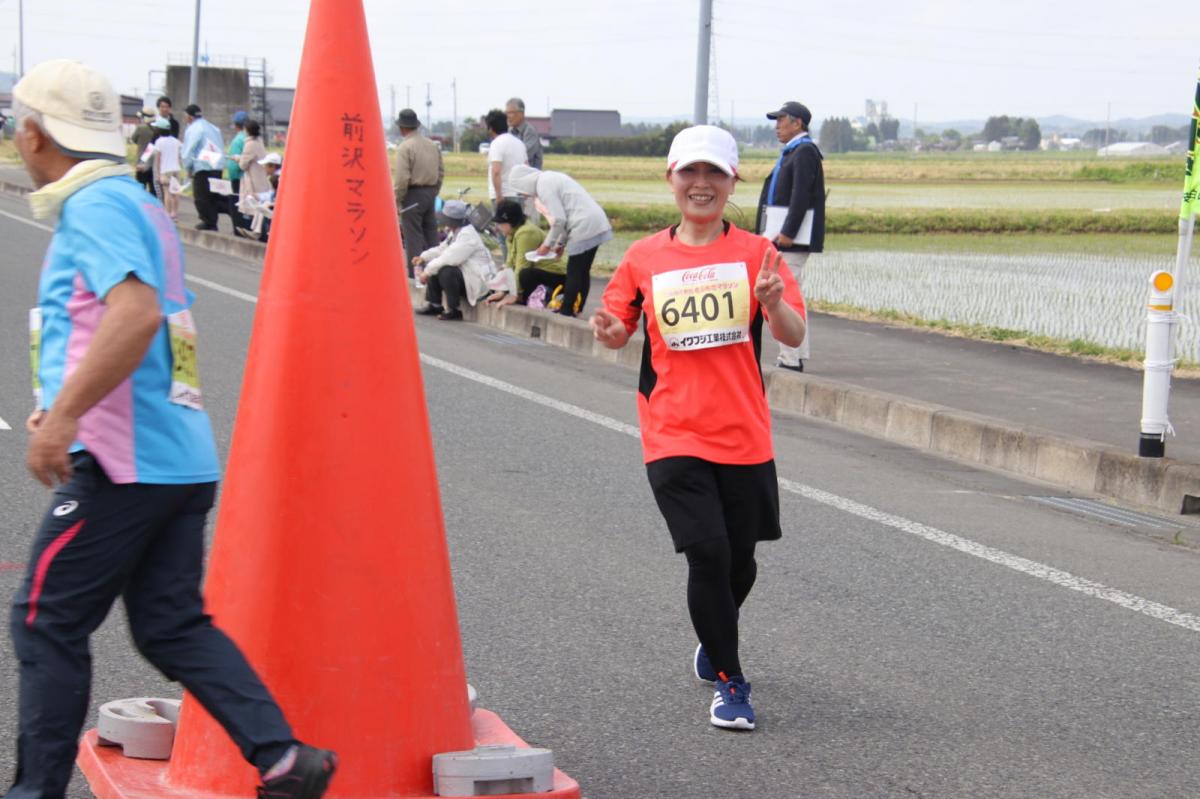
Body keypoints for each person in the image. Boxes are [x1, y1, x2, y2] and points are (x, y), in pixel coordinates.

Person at [8, 58, 336, 799]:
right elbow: (137, 330)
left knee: (44, 617)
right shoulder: (134, 203)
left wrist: (63, 419)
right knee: (169, 625)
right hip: (175, 456)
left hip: (123, 462)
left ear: (32, 134)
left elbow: (135, 316)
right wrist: (62, 398)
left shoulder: (92, 207)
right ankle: (285, 757)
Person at [589, 125, 805, 732]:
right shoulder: (644, 257)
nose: (701, 184)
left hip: (743, 432)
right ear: (671, 179)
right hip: (672, 432)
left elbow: (790, 334)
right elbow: (617, 324)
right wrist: (609, 332)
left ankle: (716, 635)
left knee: (742, 564)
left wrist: (772, 301)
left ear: (733, 182)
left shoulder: (758, 253)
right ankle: (732, 683)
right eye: (690, 172)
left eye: (715, 174)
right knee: (707, 555)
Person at [756, 101, 825, 372]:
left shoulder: (804, 152)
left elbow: (800, 197)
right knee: (788, 293)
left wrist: (788, 232)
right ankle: (793, 355)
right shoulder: (793, 151)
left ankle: (791, 358)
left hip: (791, 239)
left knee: (786, 294)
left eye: (781, 120)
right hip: (781, 235)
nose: (776, 127)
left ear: (798, 123)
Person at [509, 164, 612, 317]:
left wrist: (546, 245)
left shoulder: (543, 186)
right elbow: (564, 217)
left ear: (523, 182)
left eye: (521, 190)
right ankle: (577, 307)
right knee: (583, 270)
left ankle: (567, 309)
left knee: (574, 270)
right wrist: (560, 244)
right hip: (595, 221)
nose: (525, 195)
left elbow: (558, 220)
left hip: (583, 225)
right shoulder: (549, 178)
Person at [412, 199, 494, 320]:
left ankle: (453, 309)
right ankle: (435, 304)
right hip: (467, 274)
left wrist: (426, 272)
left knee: (445, 270)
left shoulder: (467, 236)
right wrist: (424, 257)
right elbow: (442, 248)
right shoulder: (456, 232)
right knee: (437, 266)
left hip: (478, 280)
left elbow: (449, 258)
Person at [393, 108, 444, 276]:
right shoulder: (432, 145)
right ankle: (435, 272)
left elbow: (401, 179)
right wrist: (434, 192)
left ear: (402, 128)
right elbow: (441, 171)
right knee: (431, 234)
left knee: (412, 236)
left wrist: (396, 200)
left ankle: (415, 273)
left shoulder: (404, 147)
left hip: (412, 194)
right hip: (430, 192)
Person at [486, 199, 564, 307]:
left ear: (511, 222)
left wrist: (514, 295)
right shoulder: (511, 234)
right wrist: (502, 291)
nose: (497, 227)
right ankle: (525, 297)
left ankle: (528, 298)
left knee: (525, 274)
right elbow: (510, 264)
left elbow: (521, 266)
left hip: (558, 275)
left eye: (500, 223)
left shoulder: (526, 233)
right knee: (505, 270)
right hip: (541, 272)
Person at [180, 103, 227, 231]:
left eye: (185, 116)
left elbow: (189, 150)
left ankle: (208, 222)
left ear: (189, 117)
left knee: (202, 197)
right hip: (217, 166)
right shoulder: (214, 128)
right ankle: (213, 221)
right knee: (213, 196)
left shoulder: (193, 129)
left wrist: (188, 167)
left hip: (202, 167)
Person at [233, 119, 270, 240]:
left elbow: (243, 165)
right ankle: (257, 231)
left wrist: (238, 158)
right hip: (262, 177)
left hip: (253, 179)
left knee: (254, 204)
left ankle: (257, 232)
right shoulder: (259, 141)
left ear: (247, 130)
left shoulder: (249, 144)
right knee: (260, 204)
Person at [151, 116, 182, 220]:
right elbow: (179, 155)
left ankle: (167, 213)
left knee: (167, 192)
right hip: (176, 169)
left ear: (159, 130)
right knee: (175, 192)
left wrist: (159, 173)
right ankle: (175, 213)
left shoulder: (159, 141)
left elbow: (158, 159)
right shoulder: (175, 141)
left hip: (165, 170)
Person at [226, 110, 249, 229]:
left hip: (237, 177)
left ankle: (238, 228)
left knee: (235, 203)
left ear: (236, 125)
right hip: (247, 177)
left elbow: (233, 164)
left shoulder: (238, 140)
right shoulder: (250, 138)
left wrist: (231, 175)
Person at [505, 97, 542, 170]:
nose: (507, 116)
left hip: (529, 177)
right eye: (506, 113)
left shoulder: (530, 131)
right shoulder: (509, 132)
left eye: (511, 113)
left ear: (521, 113)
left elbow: (523, 155)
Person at [130, 108, 158, 197]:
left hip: (142, 162)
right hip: (154, 162)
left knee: (140, 188)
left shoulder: (140, 128)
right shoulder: (158, 128)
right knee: (153, 189)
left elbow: (133, 139)